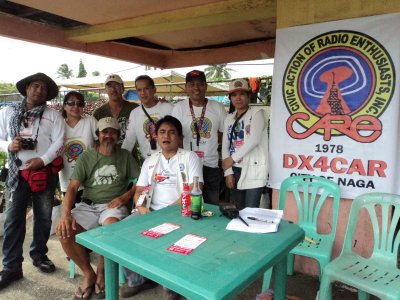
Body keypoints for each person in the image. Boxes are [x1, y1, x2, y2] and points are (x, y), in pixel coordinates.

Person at [56, 117, 140, 300]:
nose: (108, 136)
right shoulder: (87, 157)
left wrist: (125, 196)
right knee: (64, 230)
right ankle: (89, 274)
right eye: (104, 132)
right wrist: (65, 214)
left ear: (118, 135)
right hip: (89, 205)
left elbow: (141, 182)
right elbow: (72, 187)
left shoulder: (125, 155)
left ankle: (102, 273)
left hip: (113, 206)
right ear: (98, 135)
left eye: (113, 132)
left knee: (110, 227)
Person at [121, 115, 203, 300]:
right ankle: (137, 280)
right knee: (122, 231)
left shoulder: (190, 157)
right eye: (162, 132)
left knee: (170, 238)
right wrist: (142, 210)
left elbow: (193, 190)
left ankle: (171, 286)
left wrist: (161, 216)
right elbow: (140, 190)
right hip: (149, 211)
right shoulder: (150, 160)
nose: (167, 136)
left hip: (180, 212)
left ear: (180, 137)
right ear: (156, 136)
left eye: (172, 132)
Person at [0, 73, 65, 289]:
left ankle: (39, 255)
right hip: (16, 173)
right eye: (35, 86)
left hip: (43, 172)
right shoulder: (8, 112)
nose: (39, 90)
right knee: (13, 220)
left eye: (44, 88)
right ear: (27, 88)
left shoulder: (53, 115)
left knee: (44, 217)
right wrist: (8, 146)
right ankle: (11, 267)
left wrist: (43, 159)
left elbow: (59, 142)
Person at [171, 70, 226, 205]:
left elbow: (223, 135)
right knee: (188, 205)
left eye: (200, 84)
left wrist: (210, 144)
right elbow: (175, 136)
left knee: (211, 206)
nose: (196, 88)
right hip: (187, 166)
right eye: (192, 84)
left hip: (210, 165)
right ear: (186, 87)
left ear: (206, 86)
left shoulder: (217, 107)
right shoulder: (179, 108)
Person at [221, 78, 269, 210]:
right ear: (230, 98)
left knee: (251, 210)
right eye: (234, 95)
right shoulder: (228, 119)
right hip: (235, 169)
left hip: (254, 168)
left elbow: (254, 140)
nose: (238, 98)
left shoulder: (257, 113)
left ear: (248, 95)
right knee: (239, 208)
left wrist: (231, 159)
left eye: (242, 94)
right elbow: (226, 145)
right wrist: (228, 172)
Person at [59, 91, 97, 203]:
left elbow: (102, 142)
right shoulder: (59, 125)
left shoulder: (90, 121)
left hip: (90, 179)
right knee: (70, 214)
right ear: (64, 106)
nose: (75, 106)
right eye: (71, 103)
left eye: (80, 104)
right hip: (67, 179)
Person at [122, 75, 173, 159]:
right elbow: (129, 141)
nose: (143, 93)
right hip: (149, 164)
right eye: (139, 90)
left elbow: (180, 136)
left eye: (146, 89)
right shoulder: (135, 113)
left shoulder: (169, 108)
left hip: (170, 161)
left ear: (154, 89)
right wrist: (120, 161)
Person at [93, 74, 138, 148]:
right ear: (106, 90)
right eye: (109, 86)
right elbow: (95, 139)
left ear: (123, 88)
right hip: (107, 157)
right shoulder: (98, 113)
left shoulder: (134, 108)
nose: (113, 89)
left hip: (130, 156)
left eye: (117, 85)